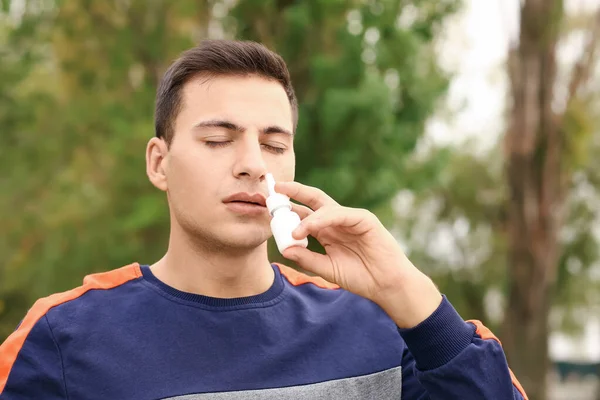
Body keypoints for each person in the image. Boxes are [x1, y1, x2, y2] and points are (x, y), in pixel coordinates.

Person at [0, 39, 528, 400]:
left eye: (274, 144)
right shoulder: (61, 339)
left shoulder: (378, 328)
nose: (253, 163)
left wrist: (405, 290)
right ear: (159, 162)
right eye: (218, 139)